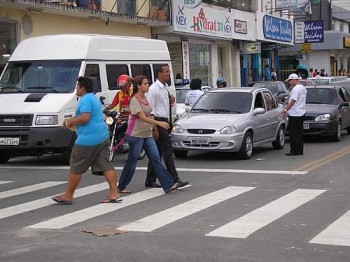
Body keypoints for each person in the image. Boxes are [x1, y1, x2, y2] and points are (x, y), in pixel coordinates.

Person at [52, 76, 121, 204]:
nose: (76, 89)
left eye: (77, 86)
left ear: (82, 88)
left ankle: (68, 195)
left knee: (76, 166)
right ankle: (114, 193)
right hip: (102, 136)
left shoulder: (85, 100)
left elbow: (85, 118)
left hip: (88, 139)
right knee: (106, 165)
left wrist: (70, 121)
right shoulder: (93, 98)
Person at [117, 75, 181, 194]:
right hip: (135, 134)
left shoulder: (145, 98)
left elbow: (150, 114)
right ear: (139, 86)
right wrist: (159, 123)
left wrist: (154, 128)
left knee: (155, 158)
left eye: (147, 83)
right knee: (132, 160)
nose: (148, 86)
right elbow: (142, 117)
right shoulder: (134, 100)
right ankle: (121, 185)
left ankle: (168, 184)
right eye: (145, 84)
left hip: (147, 134)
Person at [145, 64, 189, 188]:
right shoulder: (154, 89)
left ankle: (150, 179)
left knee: (157, 153)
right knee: (168, 151)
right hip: (158, 122)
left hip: (165, 121)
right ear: (159, 74)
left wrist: (170, 100)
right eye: (165, 72)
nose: (168, 74)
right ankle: (174, 178)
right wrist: (154, 129)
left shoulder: (164, 88)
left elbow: (162, 105)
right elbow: (150, 110)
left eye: (168, 72)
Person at [283, 73, 307, 156]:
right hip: (301, 112)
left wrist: (286, 109)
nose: (289, 83)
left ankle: (294, 150)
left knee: (293, 133)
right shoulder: (303, 88)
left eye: (290, 81)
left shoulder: (296, 89)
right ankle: (300, 150)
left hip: (295, 113)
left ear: (294, 80)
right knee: (299, 133)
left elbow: (293, 100)